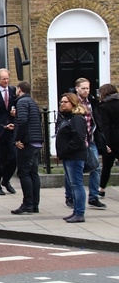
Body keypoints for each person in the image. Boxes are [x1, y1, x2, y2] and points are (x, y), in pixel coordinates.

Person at [67, 78, 107, 209]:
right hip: (76, 141)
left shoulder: (92, 103)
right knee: (71, 171)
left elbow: (97, 122)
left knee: (96, 168)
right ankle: (70, 197)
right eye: (83, 88)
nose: (86, 91)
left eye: (88, 88)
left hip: (90, 140)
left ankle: (93, 197)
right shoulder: (71, 101)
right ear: (77, 88)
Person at [56, 93, 89, 223]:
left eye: (66, 102)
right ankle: (76, 211)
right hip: (68, 157)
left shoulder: (77, 119)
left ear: (73, 104)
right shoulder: (67, 118)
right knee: (73, 184)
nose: (62, 104)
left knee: (77, 184)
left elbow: (80, 138)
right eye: (61, 102)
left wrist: (66, 150)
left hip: (75, 157)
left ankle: (80, 213)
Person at [11, 81, 43, 214]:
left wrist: (17, 138)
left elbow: (23, 120)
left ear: (19, 89)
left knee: (24, 173)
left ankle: (27, 204)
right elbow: (37, 119)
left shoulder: (22, 102)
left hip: (27, 143)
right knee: (33, 173)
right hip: (36, 142)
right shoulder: (33, 102)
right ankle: (35, 204)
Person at [97, 83, 119, 198]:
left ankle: (101, 189)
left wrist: (104, 143)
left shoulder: (103, 106)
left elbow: (105, 126)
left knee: (107, 166)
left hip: (112, 140)